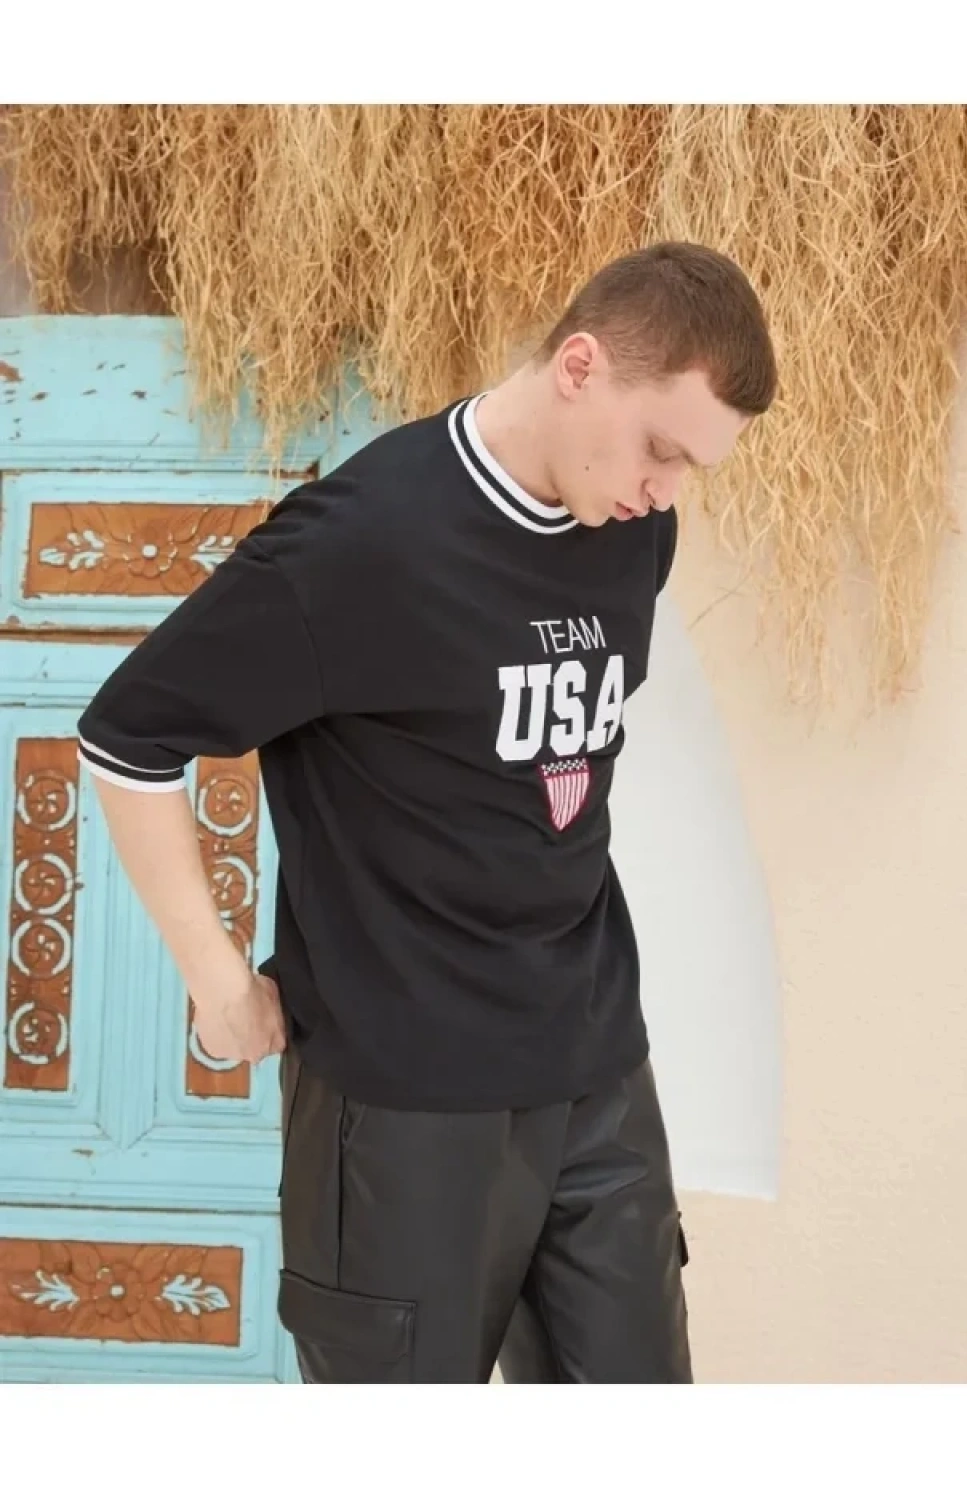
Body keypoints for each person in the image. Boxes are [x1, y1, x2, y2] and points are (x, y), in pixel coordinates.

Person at [78, 241, 777, 1383]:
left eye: (691, 468)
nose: (665, 491)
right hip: (404, 1105)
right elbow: (127, 735)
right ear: (580, 367)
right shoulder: (358, 544)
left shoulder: (634, 531)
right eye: (661, 449)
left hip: (596, 1074)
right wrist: (218, 981)